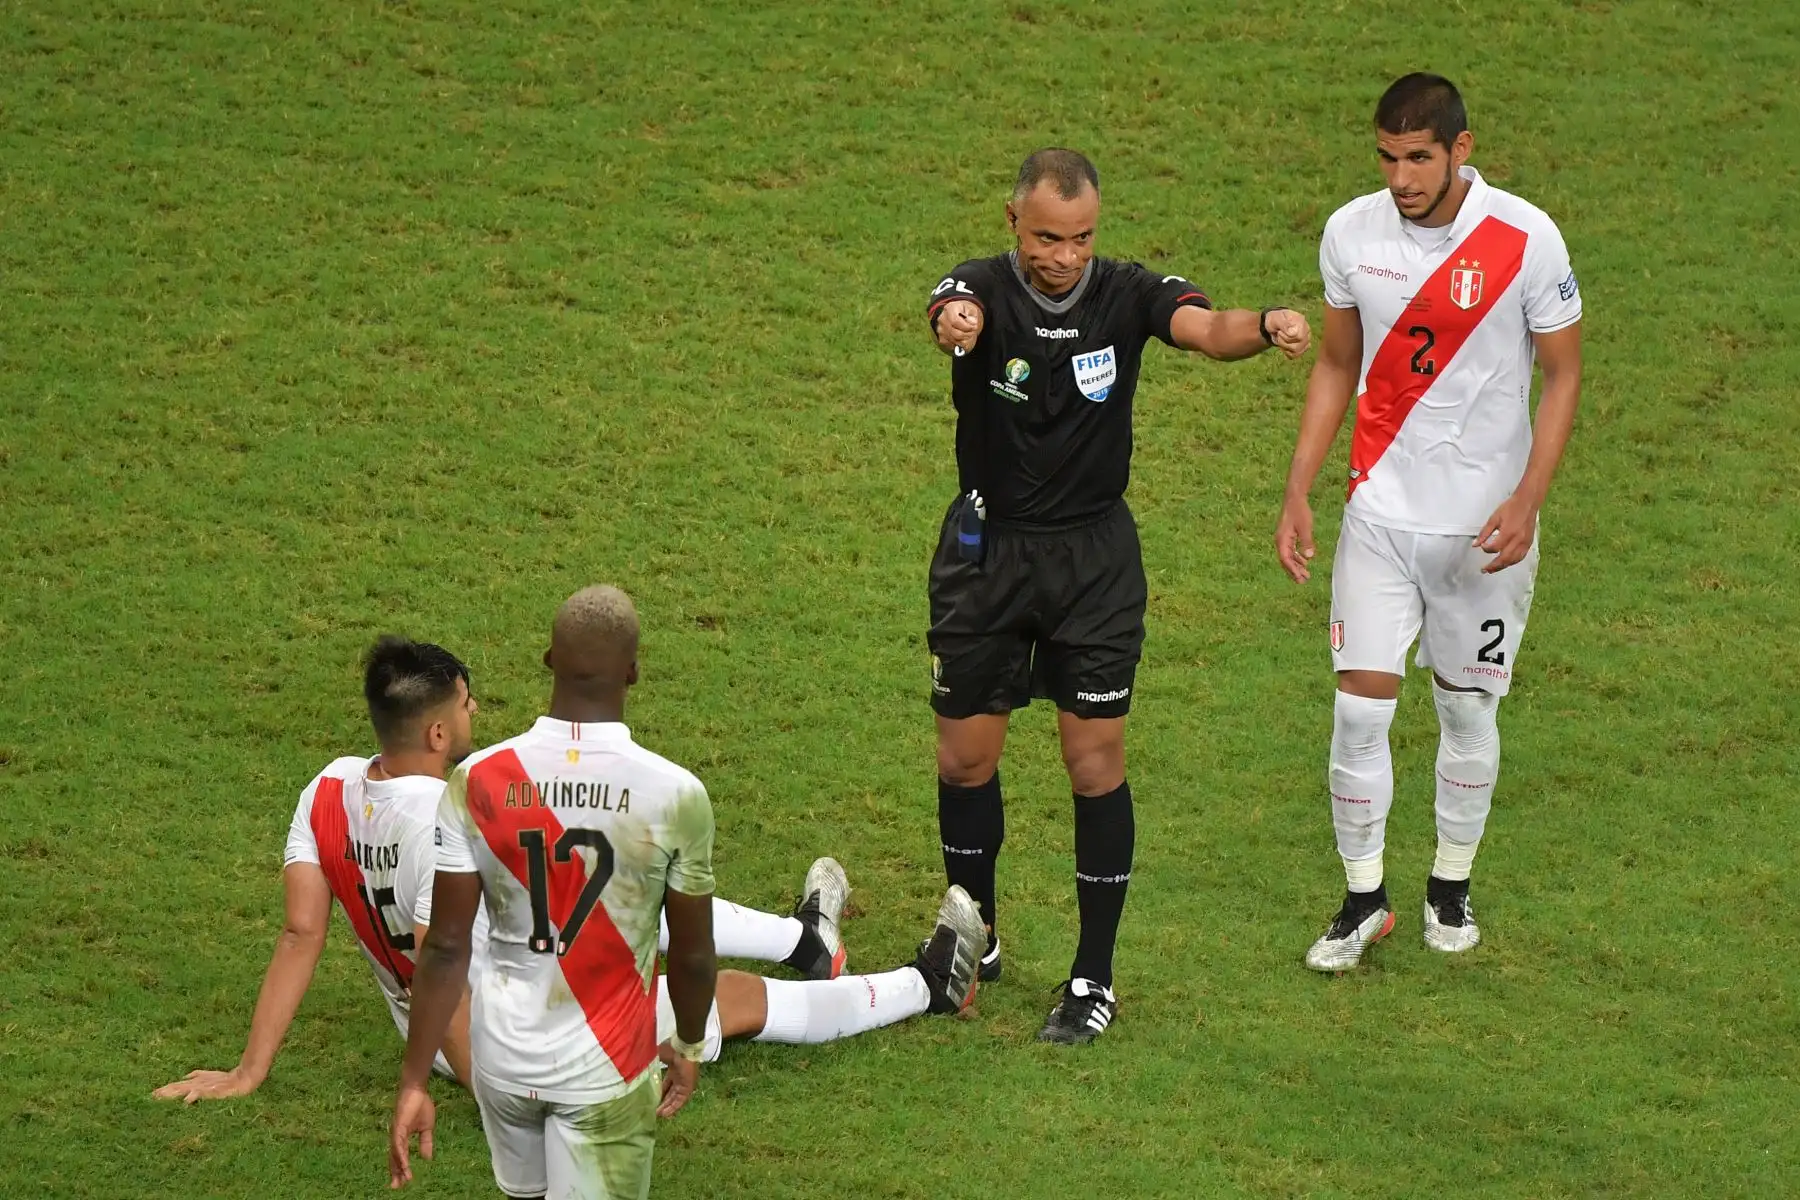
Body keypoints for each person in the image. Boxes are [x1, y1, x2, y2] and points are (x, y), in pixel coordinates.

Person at [926, 148, 1313, 1042]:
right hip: (986, 554)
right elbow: (952, 309)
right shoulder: (979, 286)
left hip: (1093, 563)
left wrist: (1269, 324)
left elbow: (1207, 329)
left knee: (1094, 761)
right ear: (1013, 221)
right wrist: (955, 322)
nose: (1065, 256)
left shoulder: (1129, 292)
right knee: (965, 761)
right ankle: (973, 931)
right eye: (1048, 237)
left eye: (1083, 237)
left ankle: (1093, 976)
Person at [1274, 73, 1583, 971]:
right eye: (1387, 157)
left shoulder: (1525, 238)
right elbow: (1337, 362)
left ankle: (1450, 883)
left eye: (1419, 157)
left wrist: (1529, 497)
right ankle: (1363, 897)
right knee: (1357, 713)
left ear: (1461, 149)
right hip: (1378, 515)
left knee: (1466, 709)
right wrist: (1299, 484)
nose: (1402, 176)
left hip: (1482, 533)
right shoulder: (1349, 233)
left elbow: (1562, 373)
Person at [389, 585, 716, 1199]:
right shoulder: (674, 793)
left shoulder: (477, 781)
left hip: (503, 1066)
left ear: (548, 660)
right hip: (605, 1070)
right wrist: (690, 1041)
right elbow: (695, 952)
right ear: (634, 671)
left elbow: (444, 947)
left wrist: (414, 1081)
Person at [154, 637, 482, 1103]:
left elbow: (298, 935)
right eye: (467, 706)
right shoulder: (448, 823)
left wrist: (247, 1072)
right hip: (507, 1046)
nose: (476, 710)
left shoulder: (327, 788)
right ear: (437, 734)